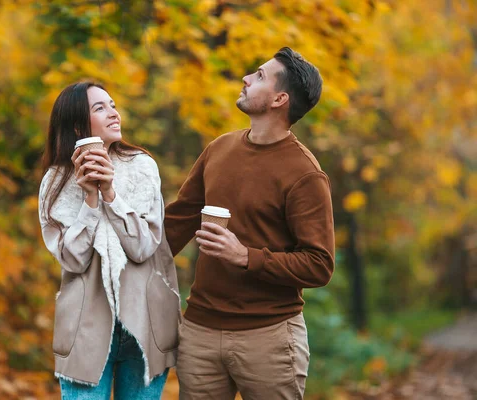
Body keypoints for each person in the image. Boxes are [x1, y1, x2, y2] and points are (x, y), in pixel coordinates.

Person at [165, 47, 335, 399]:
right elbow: (177, 222)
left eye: (259, 76)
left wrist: (245, 256)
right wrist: (116, 254)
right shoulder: (219, 148)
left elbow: (320, 266)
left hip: (269, 336)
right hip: (199, 330)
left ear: (279, 98)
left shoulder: (305, 173)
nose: (245, 78)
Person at [38, 81, 181, 400]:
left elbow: (144, 247)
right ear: (77, 125)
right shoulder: (56, 181)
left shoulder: (142, 166)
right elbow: (73, 260)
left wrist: (110, 194)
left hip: (144, 326)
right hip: (86, 329)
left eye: (113, 105)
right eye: (100, 108)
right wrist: (89, 198)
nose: (114, 112)